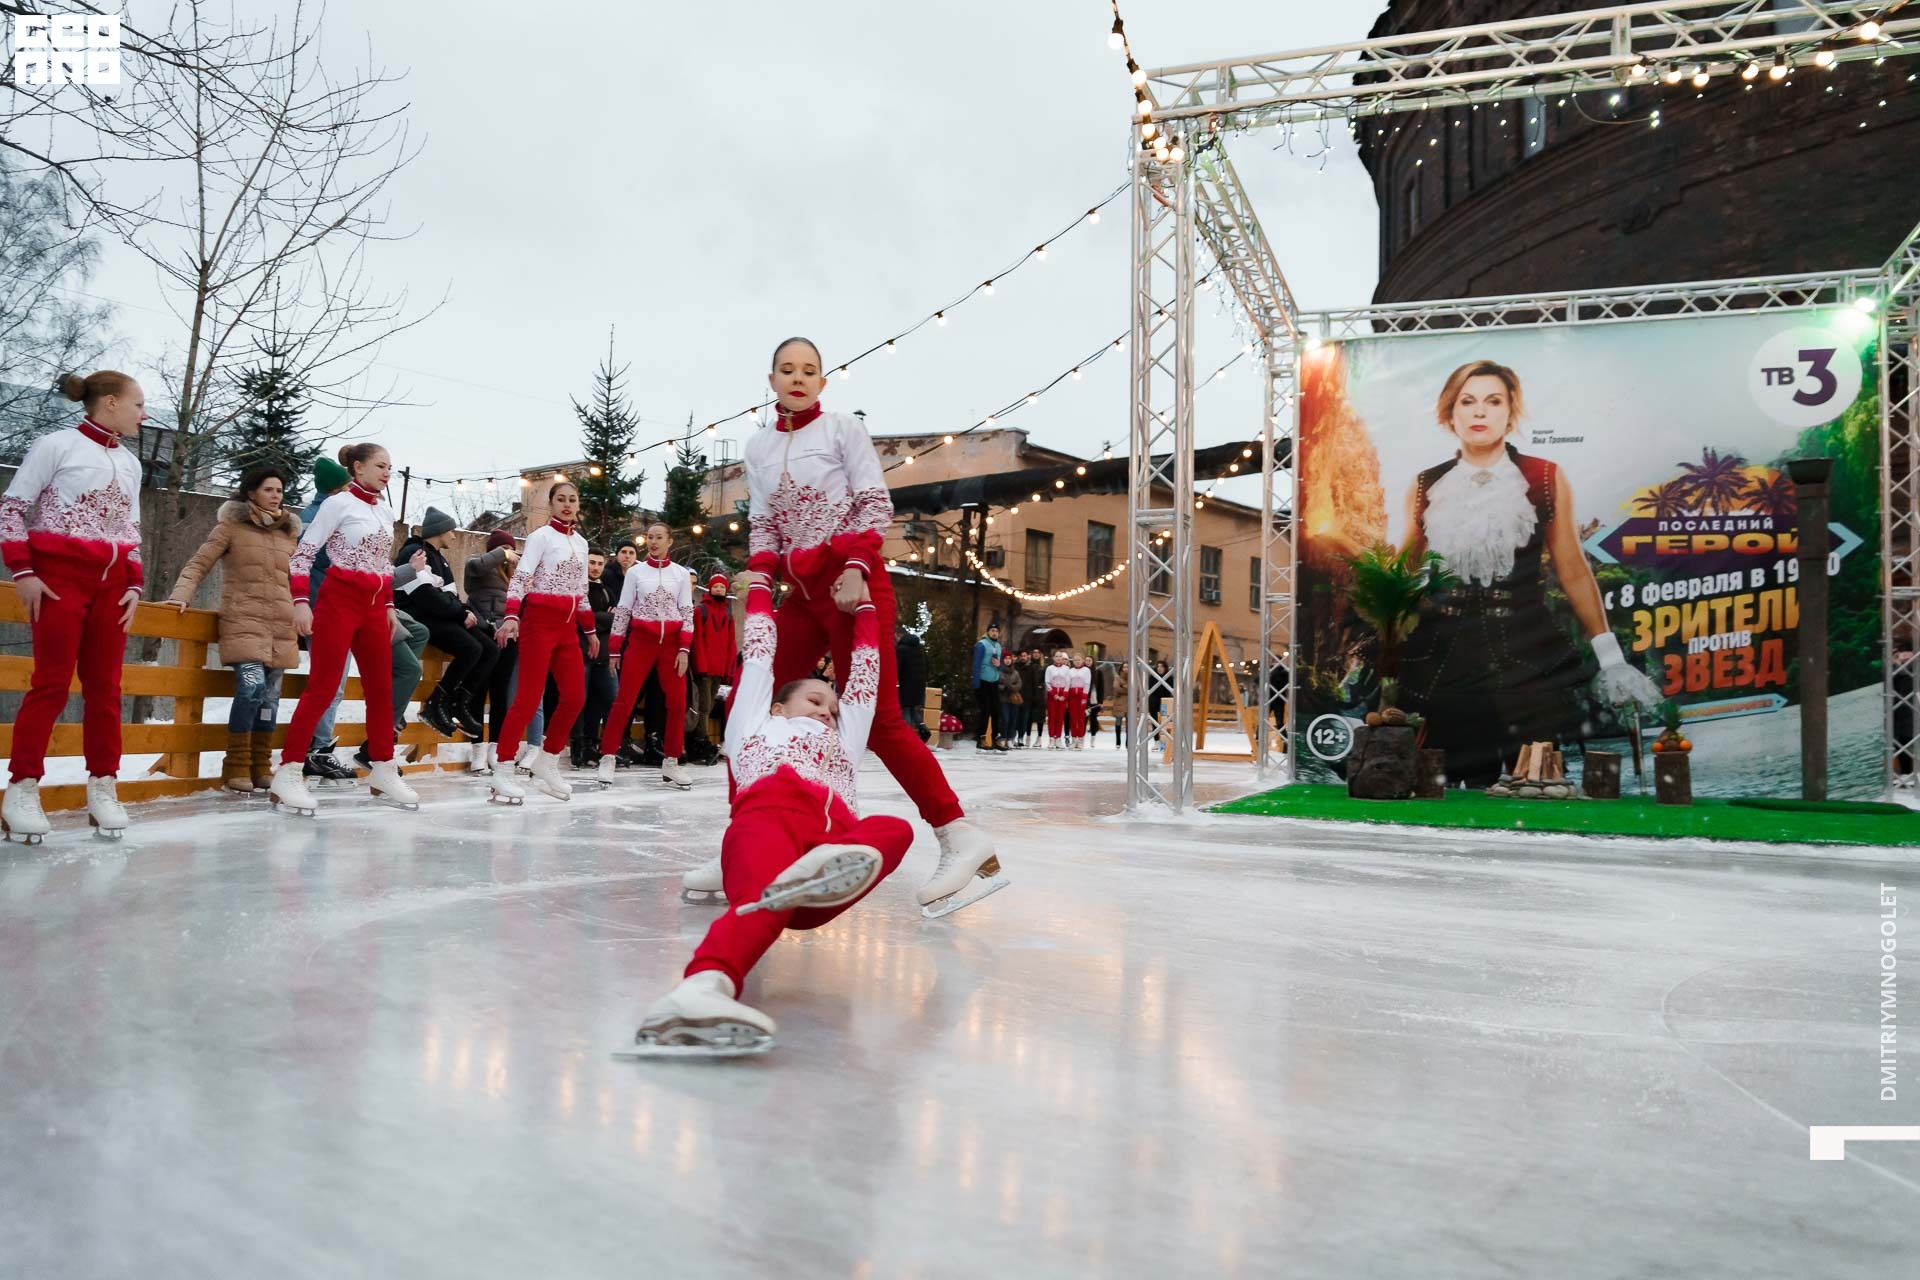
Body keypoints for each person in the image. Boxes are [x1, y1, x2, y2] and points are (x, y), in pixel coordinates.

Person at [744, 338, 1002, 916]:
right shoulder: (758, 447)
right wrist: (760, 580)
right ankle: (760, 832)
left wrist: (858, 566)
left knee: (881, 719)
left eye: (809, 370)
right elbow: (762, 523)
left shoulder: (840, 431)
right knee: (759, 705)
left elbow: (873, 504)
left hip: (854, 584)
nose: (798, 378)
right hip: (801, 593)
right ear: (771, 379)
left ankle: (960, 834)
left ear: (823, 382)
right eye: (787, 370)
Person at [623, 581, 916, 1057]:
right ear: (778, 707)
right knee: (759, 903)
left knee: (897, 829)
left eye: (833, 709)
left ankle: (828, 865)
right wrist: (759, 581)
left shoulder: (846, 739)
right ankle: (700, 991)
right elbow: (758, 652)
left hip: (829, 851)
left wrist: (867, 607)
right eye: (814, 702)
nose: (826, 713)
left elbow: (866, 671)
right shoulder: (755, 723)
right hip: (768, 822)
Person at [1398, 359, 1659, 786]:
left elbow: (1572, 569)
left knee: (1537, 776)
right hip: (1447, 660)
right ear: (1450, 413)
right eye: (1467, 401)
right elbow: (1401, 573)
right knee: (1452, 784)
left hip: (1527, 653)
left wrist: (1610, 658)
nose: (1480, 412)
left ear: (1510, 411)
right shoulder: (1427, 484)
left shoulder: (1544, 476)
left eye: (1493, 401)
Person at [0, 370, 147, 842]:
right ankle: (22, 788)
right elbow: (10, 509)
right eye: (137, 404)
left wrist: (135, 583)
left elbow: (131, 530)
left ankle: (103, 786)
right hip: (59, 582)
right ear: (109, 403)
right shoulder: (55, 445)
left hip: (112, 589)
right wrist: (23, 571)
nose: (143, 414)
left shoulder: (130, 462)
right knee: (51, 684)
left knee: (107, 688)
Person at [269, 443, 419, 814]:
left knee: (381, 690)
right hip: (338, 601)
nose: (387, 472)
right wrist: (301, 601)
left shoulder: (384, 511)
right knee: (322, 687)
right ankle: (289, 772)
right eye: (380, 466)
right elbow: (302, 555)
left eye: (390, 466)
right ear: (358, 468)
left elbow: (383, 565)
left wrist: (387, 606)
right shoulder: (337, 504)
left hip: (372, 608)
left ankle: (383, 767)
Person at [164, 464, 302, 795]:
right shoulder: (231, 528)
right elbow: (199, 563)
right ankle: (236, 765)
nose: (275, 496)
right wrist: (180, 595)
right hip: (244, 622)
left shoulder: (288, 535)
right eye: (268, 489)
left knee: (270, 699)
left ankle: (260, 765)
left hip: (280, 627)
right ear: (251, 492)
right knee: (251, 688)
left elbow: (300, 581)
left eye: (279, 490)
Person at [489, 481, 596, 802]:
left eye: (572, 499)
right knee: (527, 699)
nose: (566, 504)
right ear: (551, 504)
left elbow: (582, 592)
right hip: (538, 623)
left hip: (567, 630)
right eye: (560, 499)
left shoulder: (581, 543)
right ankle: (503, 770)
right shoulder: (540, 538)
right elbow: (520, 578)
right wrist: (511, 615)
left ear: (578, 505)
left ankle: (548, 762)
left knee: (575, 697)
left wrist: (589, 631)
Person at [600, 521, 693, 789]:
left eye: (659, 537)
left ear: (669, 541)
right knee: (625, 700)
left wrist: (684, 649)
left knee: (676, 704)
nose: (653, 542)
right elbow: (624, 609)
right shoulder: (636, 573)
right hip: (641, 642)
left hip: (672, 645)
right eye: (649, 537)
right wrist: (615, 649)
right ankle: (608, 755)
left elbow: (687, 612)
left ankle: (672, 763)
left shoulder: (680, 574)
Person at [394, 506, 496, 741]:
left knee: (489, 648)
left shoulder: (441, 559)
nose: (453, 535)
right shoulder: (414, 551)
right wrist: (459, 614)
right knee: (471, 648)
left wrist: (465, 611)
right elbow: (423, 594)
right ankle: (436, 702)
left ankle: (459, 702)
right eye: (451, 530)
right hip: (420, 615)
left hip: (442, 614)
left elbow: (451, 595)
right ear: (440, 531)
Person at [464, 529, 519, 774]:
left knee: (500, 695)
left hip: (508, 637)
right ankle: (477, 750)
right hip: (485, 632)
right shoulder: (479, 567)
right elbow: (476, 567)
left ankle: (494, 750)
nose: (509, 556)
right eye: (506, 550)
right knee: (478, 693)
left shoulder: (514, 575)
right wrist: (503, 551)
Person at [572, 548, 617, 768]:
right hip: (580, 652)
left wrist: (595, 618)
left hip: (604, 655)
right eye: (592, 562)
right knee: (579, 700)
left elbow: (617, 620)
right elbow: (579, 617)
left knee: (605, 700)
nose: (595, 567)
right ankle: (578, 747)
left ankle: (594, 745)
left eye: (600, 563)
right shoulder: (577, 587)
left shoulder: (608, 591)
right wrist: (605, 617)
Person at [689, 571, 736, 743]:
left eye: (722, 587)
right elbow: (697, 640)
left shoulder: (728, 614)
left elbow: (732, 643)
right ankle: (701, 737)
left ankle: (702, 737)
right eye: (715, 586)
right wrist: (700, 666)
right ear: (710, 589)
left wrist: (729, 668)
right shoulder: (701, 611)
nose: (718, 589)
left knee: (709, 704)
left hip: (719, 667)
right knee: (704, 704)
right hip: (705, 667)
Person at [971, 621, 1004, 748]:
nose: (994, 633)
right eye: (992, 631)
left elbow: (999, 665)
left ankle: (996, 738)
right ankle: (981, 738)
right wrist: (976, 683)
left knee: (996, 711)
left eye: (996, 631)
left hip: (994, 682)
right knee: (985, 711)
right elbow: (976, 664)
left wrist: (999, 665)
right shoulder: (981, 645)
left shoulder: (998, 646)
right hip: (983, 682)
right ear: (988, 632)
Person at [894, 621, 929, 742]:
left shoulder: (901, 649)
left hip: (906, 684)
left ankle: (906, 737)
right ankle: (923, 727)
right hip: (919, 684)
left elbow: (897, 667)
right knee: (913, 709)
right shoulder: (919, 647)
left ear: (899, 635)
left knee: (905, 709)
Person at [999, 650, 1027, 749]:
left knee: (1012, 719)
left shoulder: (1015, 672)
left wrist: (1010, 687)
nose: (1007, 660)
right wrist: (1004, 687)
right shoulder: (999, 671)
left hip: (1013, 699)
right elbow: (998, 684)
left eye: (1009, 658)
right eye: (1005, 658)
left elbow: (1019, 684)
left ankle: (1010, 738)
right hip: (1003, 699)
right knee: (1005, 719)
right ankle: (1003, 738)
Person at [1045, 650, 1071, 749]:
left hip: (1063, 694)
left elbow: (1068, 682)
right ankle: (1051, 738)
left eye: (1060, 656)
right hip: (1053, 695)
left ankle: (1058, 738)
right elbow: (1047, 682)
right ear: (1053, 657)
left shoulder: (1066, 669)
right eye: (1057, 656)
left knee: (1060, 718)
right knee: (1052, 717)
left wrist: (1064, 695)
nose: (1059, 658)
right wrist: (1054, 695)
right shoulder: (1049, 668)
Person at [1067, 652, 1092, 749]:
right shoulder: (1071, 671)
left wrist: (1084, 697)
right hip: (1072, 695)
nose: (1077, 662)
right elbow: (1068, 683)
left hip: (1081, 695)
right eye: (1075, 660)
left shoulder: (1086, 670)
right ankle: (1074, 739)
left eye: (1079, 660)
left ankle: (1081, 738)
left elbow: (1087, 684)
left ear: (1082, 661)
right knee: (1073, 718)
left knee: (1080, 718)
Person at [1023, 647, 1047, 745]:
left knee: (1040, 718)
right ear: (1031, 654)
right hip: (1030, 695)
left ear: (1041, 654)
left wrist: (1042, 686)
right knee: (1029, 717)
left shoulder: (1044, 666)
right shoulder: (1028, 666)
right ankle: (1028, 737)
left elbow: (1047, 680)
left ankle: (1039, 738)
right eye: (1034, 652)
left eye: (1038, 652)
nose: (1036, 654)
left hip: (1040, 696)